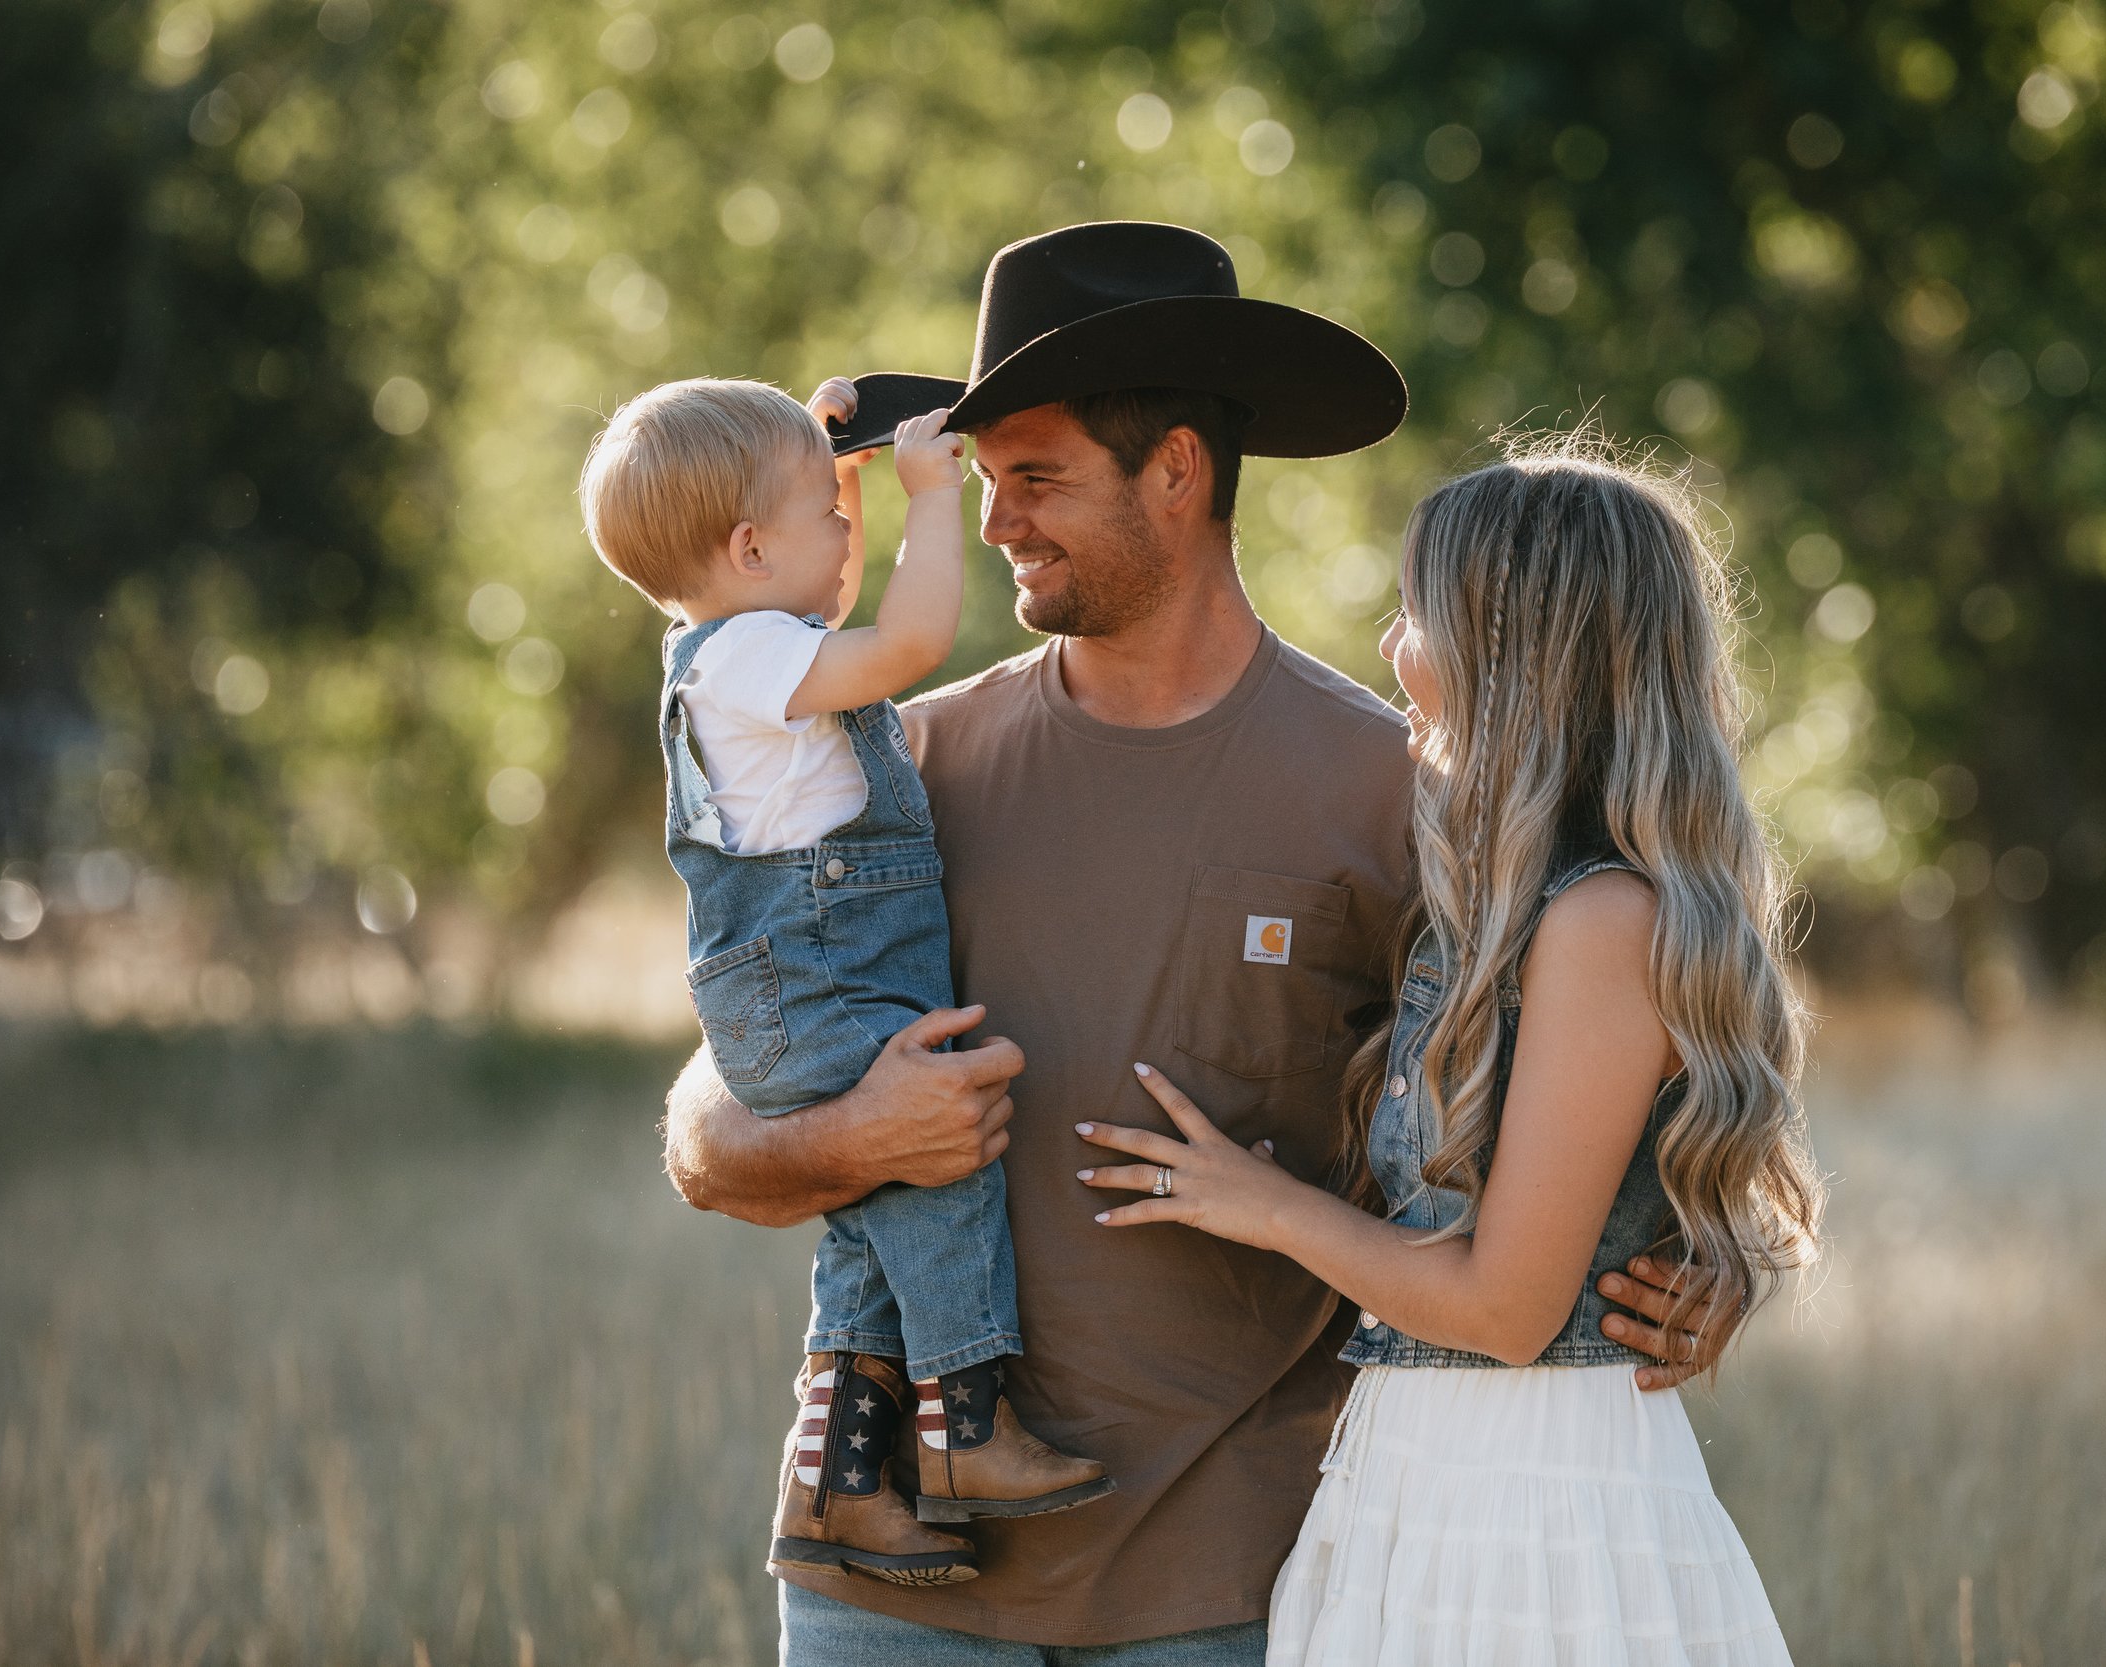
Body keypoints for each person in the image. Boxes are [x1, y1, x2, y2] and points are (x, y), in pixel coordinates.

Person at [662, 222, 1742, 1663]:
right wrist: (852, 1131)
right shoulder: (903, 767)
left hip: (1227, 1578)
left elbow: (1603, 1076)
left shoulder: (1404, 799)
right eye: (983, 479)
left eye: (1033, 476)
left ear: (1176, 471)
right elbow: (713, 1119)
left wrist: (1702, 1264)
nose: (992, 525)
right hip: (894, 1570)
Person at [1077, 441, 1824, 1664]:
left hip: (1529, 1495)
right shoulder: (1492, 893)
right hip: (1431, 1468)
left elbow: (1508, 1308)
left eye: (1414, 611)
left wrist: (1260, 1203)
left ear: (1511, 645)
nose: (1388, 644)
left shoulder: (1600, 920)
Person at [578, 379, 1109, 1589]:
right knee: (938, 1163)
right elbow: (908, 641)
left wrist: (851, 482)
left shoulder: (745, 644)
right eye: (825, 512)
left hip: (810, 972)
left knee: (871, 1224)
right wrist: (931, 497)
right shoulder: (754, 655)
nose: (845, 538)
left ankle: (841, 1488)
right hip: (818, 973)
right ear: (751, 548)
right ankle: (969, 1428)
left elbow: (837, 592)